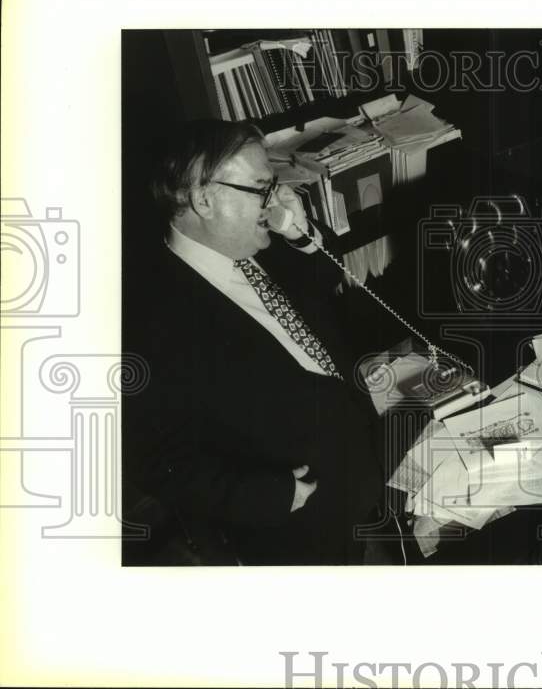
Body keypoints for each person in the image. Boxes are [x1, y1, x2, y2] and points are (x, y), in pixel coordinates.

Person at [124, 119, 385, 564]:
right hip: (296, 520)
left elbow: (324, 284)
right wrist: (263, 496)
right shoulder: (143, 318)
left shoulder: (260, 243)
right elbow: (152, 458)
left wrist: (302, 238)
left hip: (361, 461)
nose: (277, 201)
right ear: (204, 199)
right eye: (261, 187)